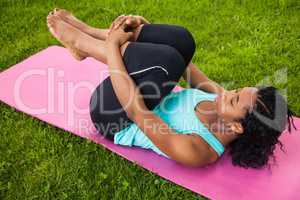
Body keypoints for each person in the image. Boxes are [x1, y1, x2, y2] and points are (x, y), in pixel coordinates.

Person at [46, 8, 296, 168]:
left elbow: (138, 113)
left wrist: (113, 46)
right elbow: (186, 64)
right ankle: (90, 33)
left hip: (116, 114)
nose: (227, 92)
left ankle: (83, 43)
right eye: (237, 90)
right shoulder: (223, 105)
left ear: (235, 127)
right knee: (183, 43)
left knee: (167, 64)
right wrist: (146, 33)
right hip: (143, 90)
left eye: (233, 99)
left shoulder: (198, 150)